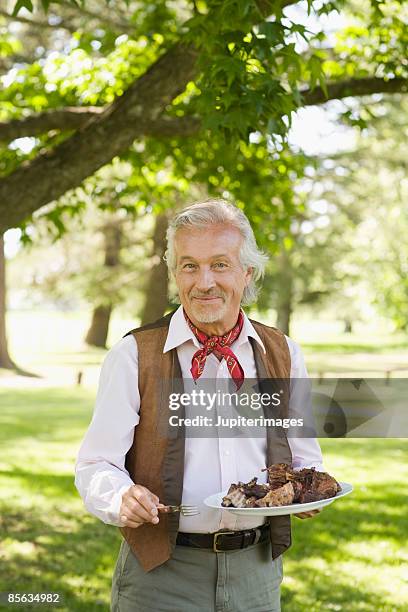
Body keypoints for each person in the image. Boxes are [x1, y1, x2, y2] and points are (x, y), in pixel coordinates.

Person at [75, 198, 324, 612]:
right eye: (190, 265)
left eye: (220, 265)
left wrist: (305, 494)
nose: (204, 281)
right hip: (161, 575)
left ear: (247, 272)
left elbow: (303, 458)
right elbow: (96, 464)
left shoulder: (283, 352)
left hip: (257, 574)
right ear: (175, 274)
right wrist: (119, 496)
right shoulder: (135, 354)